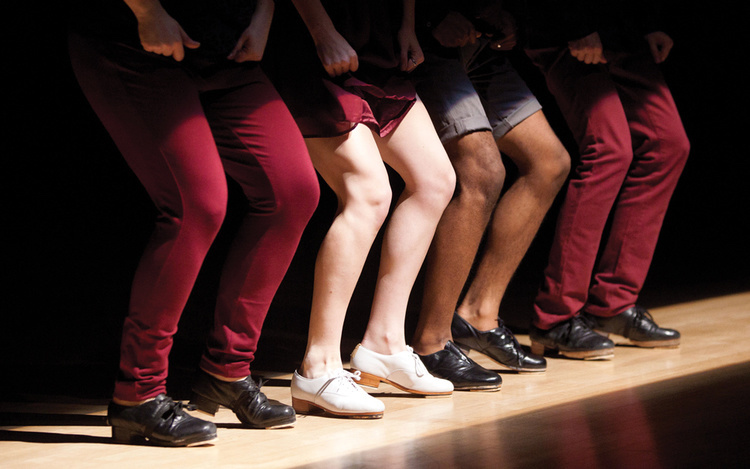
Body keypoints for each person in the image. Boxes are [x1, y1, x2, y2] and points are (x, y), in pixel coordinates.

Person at [68, 0, 320, 446]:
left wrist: (261, 15)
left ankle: (228, 369)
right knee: (197, 207)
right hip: (135, 43)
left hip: (225, 53)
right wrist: (146, 11)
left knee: (293, 191)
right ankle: (138, 395)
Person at [265, 0, 456, 418]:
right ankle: (318, 365)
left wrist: (406, 22)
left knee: (435, 180)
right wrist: (320, 28)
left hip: (378, 43)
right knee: (368, 194)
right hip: (320, 42)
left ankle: (384, 344)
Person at [407, 1, 570, 389]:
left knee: (550, 162)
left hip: (479, 45)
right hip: (428, 43)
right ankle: (432, 341)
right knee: (483, 171)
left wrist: (510, 19)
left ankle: (479, 312)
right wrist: (430, 17)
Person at [520, 0, 689, 359]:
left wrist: (653, 21)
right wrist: (575, 22)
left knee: (668, 145)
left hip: (624, 29)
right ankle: (555, 317)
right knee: (609, 149)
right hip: (570, 31)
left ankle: (612, 302)